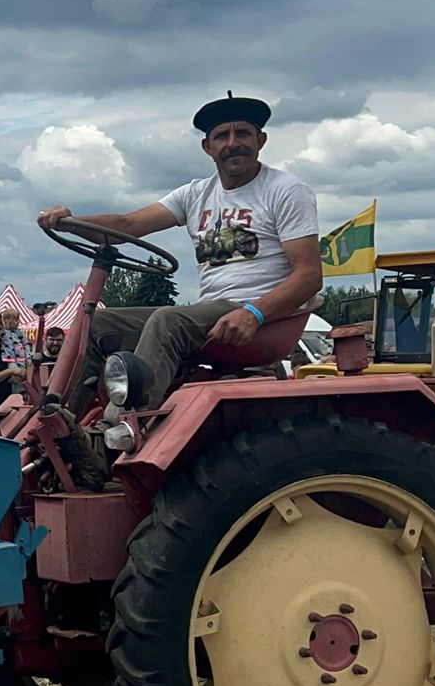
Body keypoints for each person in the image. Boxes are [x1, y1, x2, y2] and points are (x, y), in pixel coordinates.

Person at [37, 93, 322, 487]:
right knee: (99, 324)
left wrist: (252, 313)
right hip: (212, 313)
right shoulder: (196, 194)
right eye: (222, 135)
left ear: (261, 140)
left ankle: (112, 441)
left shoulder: (286, 191)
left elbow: (309, 276)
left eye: (243, 133)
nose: (232, 142)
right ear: (208, 147)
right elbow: (128, 224)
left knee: (168, 320)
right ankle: (60, 429)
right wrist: (69, 221)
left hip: (261, 319)